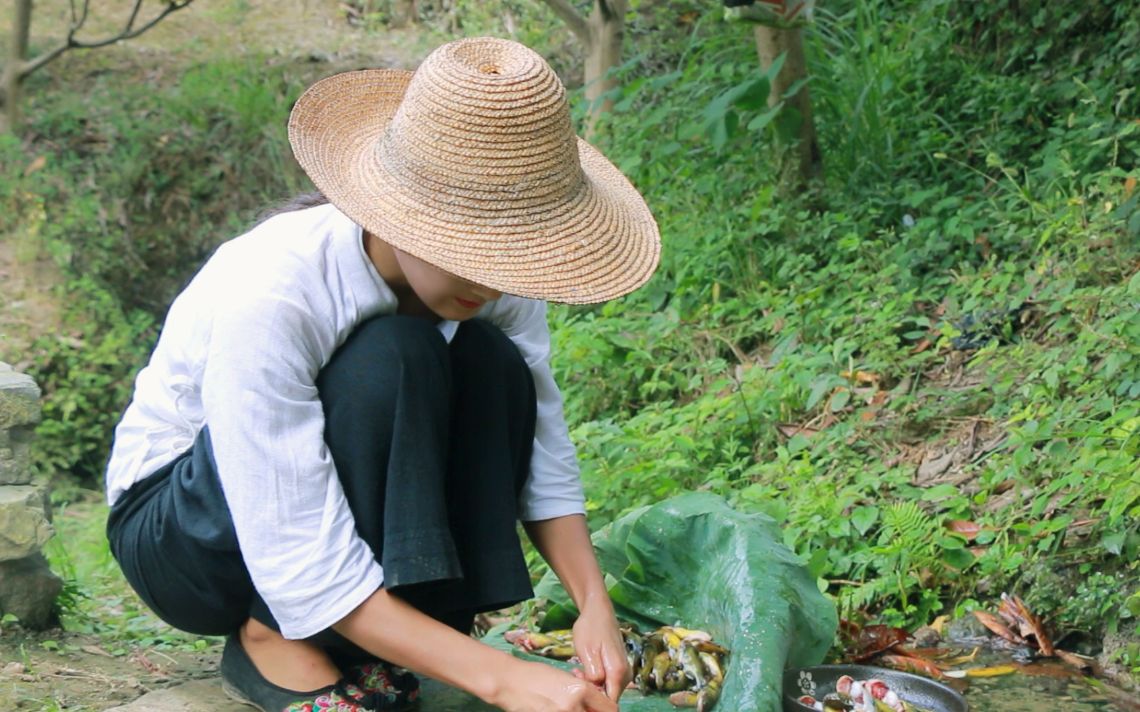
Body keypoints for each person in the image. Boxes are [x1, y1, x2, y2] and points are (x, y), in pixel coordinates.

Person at [103, 36, 660, 712]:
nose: (490, 277)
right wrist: (500, 677)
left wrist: (592, 607)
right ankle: (270, 637)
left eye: (507, 250)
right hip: (187, 533)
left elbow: (544, 448)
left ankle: (386, 634)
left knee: (491, 363)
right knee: (394, 354)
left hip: (290, 517)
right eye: (469, 247)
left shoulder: (501, 284)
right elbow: (286, 525)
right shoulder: (277, 288)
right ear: (400, 213)